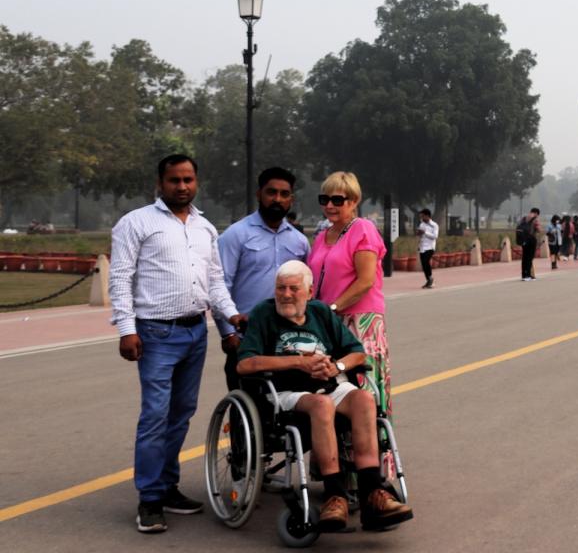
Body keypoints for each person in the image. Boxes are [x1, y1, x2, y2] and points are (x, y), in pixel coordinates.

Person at [108, 154, 248, 534]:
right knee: (155, 415)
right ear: (160, 182)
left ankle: (167, 486)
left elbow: (215, 281)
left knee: (181, 413)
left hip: (194, 332)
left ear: (196, 182)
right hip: (155, 333)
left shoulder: (205, 228)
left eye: (188, 179)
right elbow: (120, 278)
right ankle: (150, 498)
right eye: (174, 180)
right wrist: (126, 329)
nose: (182, 186)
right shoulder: (136, 223)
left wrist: (231, 321)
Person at [237, 261, 411, 532]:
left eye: (294, 288)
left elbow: (357, 352)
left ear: (309, 291)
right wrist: (297, 363)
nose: (285, 294)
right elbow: (245, 364)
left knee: (364, 399)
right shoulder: (264, 314)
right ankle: (335, 495)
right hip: (287, 392)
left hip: (331, 384)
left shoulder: (320, 312)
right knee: (321, 404)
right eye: (280, 288)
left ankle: (373, 492)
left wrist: (337, 366)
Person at [307, 171, 395, 461]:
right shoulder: (322, 236)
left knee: (362, 393)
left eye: (337, 200)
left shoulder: (363, 229)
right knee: (334, 390)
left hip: (360, 320)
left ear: (354, 201)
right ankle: (340, 468)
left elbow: (365, 281)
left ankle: (371, 471)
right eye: (325, 199)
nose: (330, 206)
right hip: (330, 324)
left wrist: (331, 309)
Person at [218, 166, 310, 391]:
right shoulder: (235, 235)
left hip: (288, 336)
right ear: (259, 194)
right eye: (271, 192)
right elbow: (220, 285)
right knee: (247, 402)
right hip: (247, 334)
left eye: (284, 194)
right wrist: (228, 333)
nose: (277, 199)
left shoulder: (299, 242)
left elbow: (306, 288)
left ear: (291, 199)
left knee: (288, 406)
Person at [516, 208, 542, 281]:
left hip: (523, 240)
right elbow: (539, 230)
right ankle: (528, 275)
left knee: (524, 257)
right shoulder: (535, 219)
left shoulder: (523, 218)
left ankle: (524, 275)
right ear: (536, 213)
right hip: (531, 240)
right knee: (529, 258)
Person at [417, 208, 439, 288]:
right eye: (421, 216)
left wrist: (425, 232)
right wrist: (418, 234)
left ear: (427, 216)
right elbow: (420, 236)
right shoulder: (421, 224)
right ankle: (429, 280)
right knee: (424, 265)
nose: (422, 218)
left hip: (430, 247)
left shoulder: (434, 225)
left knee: (426, 262)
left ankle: (430, 279)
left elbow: (435, 236)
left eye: (423, 216)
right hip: (422, 247)